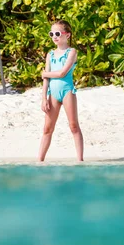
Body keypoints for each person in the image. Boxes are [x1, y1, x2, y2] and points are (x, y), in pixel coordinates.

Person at [38, 20, 84, 162]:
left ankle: (80, 160)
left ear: (67, 35)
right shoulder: (50, 54)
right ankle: (39, 161)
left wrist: (45, 73)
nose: (54, 37)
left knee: (73, 126)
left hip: (67, 92)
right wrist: (44, 97)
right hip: (53, 93)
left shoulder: (72, 52)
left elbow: (62, 73)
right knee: (47, 128)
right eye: (51, 34)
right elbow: (46, 79)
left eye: (57, 33)